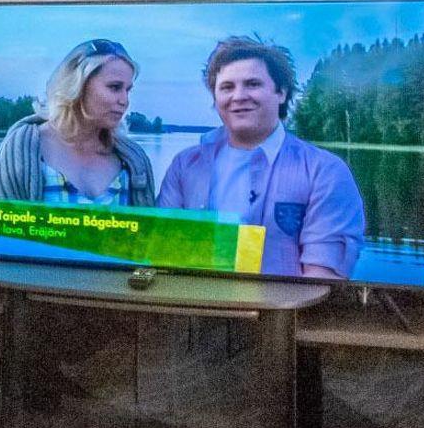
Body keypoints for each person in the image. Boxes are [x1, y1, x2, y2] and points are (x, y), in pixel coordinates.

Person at [156, 35, 366, 279]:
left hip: (283, 307)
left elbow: (321, 282)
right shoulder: (185, 165)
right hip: (191, 304)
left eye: (252, 84)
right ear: (215, 97)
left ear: (281, 93)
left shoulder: (325, 172)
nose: (239, 96)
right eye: (227, 87)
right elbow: (163, 258)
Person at [0, 38, 157, 207]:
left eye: (128, 90)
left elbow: (149, 222)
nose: (124, 101)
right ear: (79, 85)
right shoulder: (23, 149)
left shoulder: (134, 161)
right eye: (114, 87)